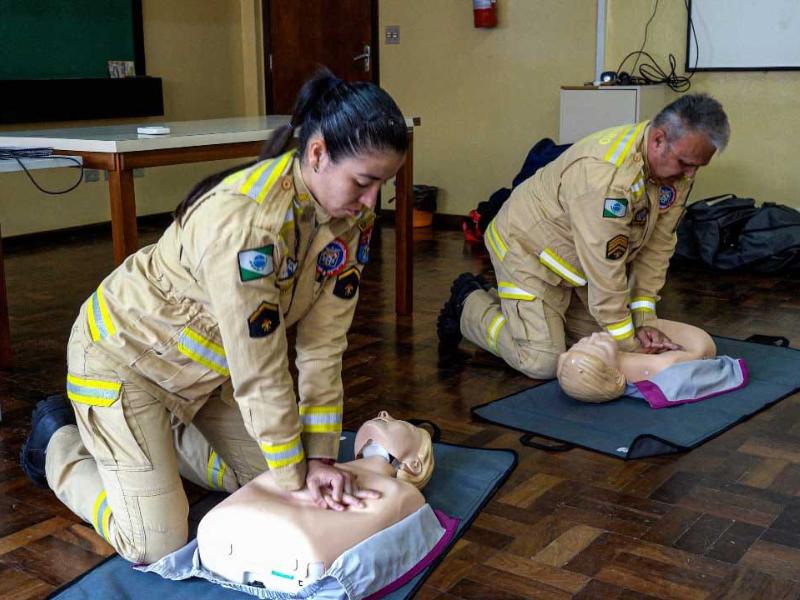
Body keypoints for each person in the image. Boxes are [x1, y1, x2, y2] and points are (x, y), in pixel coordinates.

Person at [19, 68, 408, 564]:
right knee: (154, 542)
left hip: (201, 377)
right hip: (124, 364)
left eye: (383, 185)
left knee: (271, 483)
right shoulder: (248, 223)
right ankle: (59, 440)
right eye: (365, 181)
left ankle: (157, 440)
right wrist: (297, 470)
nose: (373, 201)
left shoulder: (351, 219)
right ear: (317, 154)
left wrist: (320, 457)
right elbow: (260, 368)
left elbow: (323, 347)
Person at [438, 94, 730, 379]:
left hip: (577, 265)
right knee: (543, 362)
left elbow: (658, 246)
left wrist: (644, 318)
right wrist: (630, 344)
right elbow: (605, 266)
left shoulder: (675, 170)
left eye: (697, 166)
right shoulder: (606, 176)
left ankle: (521, 312)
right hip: (527, 251)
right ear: (658, 140)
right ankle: (468, 301)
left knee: (596, 347)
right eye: (685, 163)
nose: (689, 174)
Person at [193, 411, 438, 593]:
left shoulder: (401, 493)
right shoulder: (315, 465)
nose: (383, 413)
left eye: (397, 422)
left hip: (271, 545)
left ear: (414, 466)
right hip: (240, 533)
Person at [557, 319, 716, 402]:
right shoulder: (662, 365)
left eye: (581, 342)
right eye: (597, 346)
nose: (592, 336)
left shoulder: (620, 357)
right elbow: (700, 354)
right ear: (607, 371)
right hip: (698, 344)